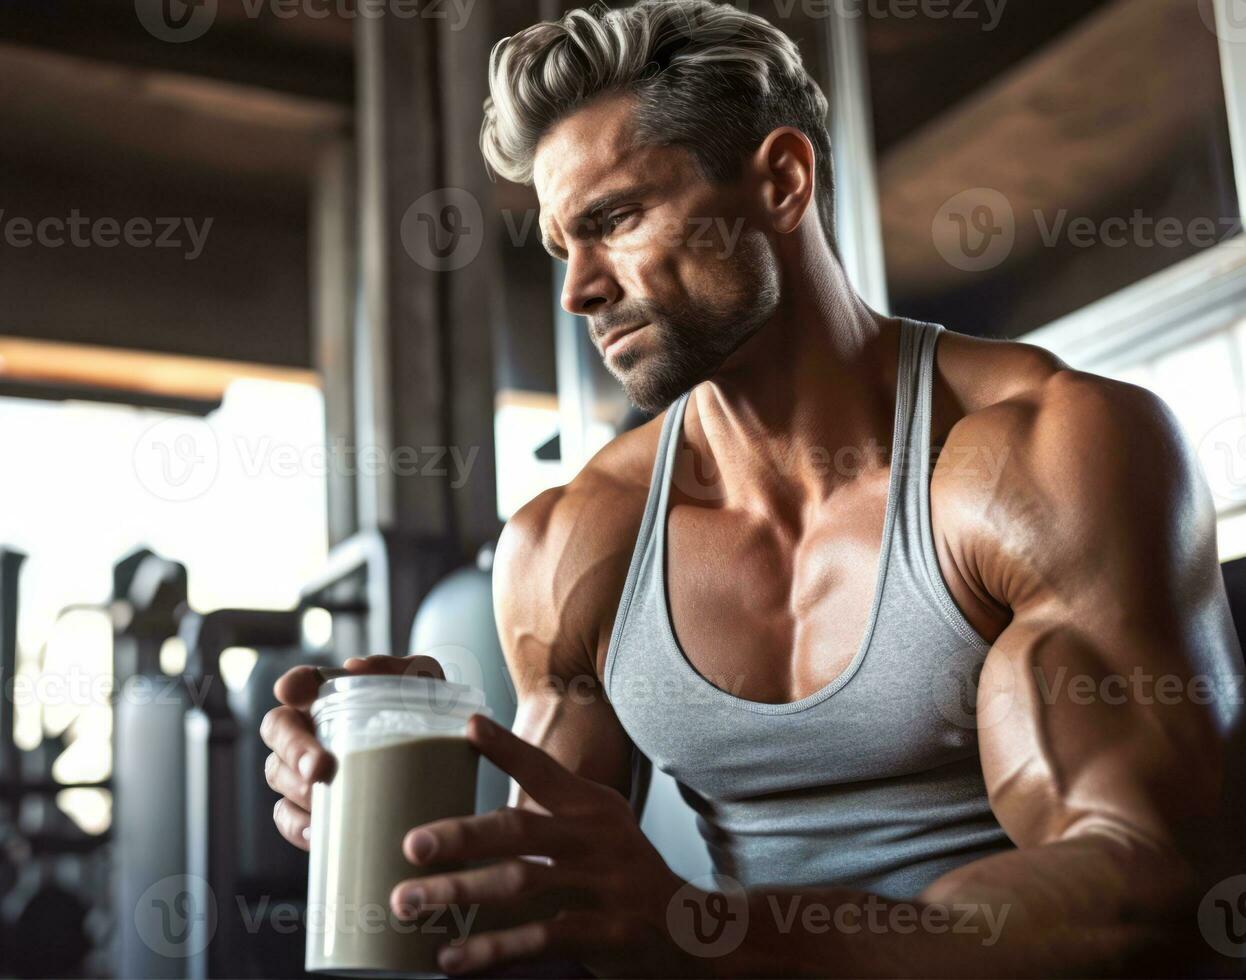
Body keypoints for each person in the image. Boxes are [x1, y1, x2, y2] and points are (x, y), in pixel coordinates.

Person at [261, 1, 1245, 974]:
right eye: (565, 246)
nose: (578, 290)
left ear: (781, 181)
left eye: (617, 219)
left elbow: (1148, 890)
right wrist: (403, 791)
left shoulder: (1045, 453)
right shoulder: (571, 541)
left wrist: (715, 931)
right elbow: (544, 904)